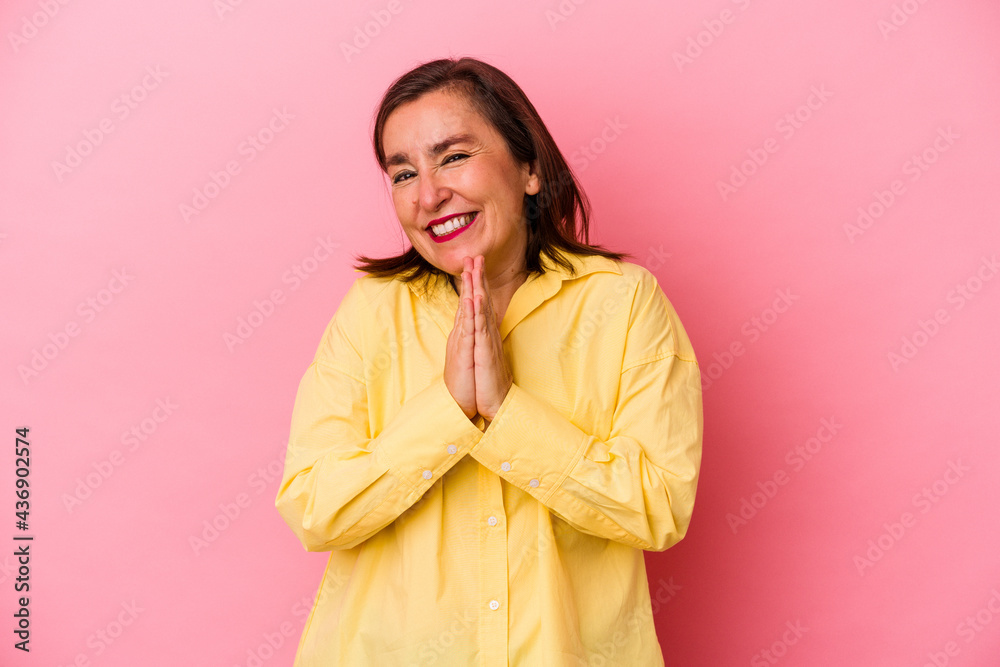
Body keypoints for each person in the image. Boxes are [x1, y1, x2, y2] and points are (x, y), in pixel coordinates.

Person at [275, 56, 703, 666]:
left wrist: (507, 413)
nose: (428, 194)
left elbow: (658, 507)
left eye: (453, 156)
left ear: (529, 168)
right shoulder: (372, 312)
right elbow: (315, 509)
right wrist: (446, 413)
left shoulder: (623, 303)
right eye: (402, 174)